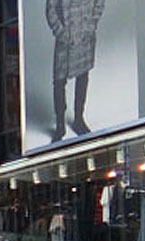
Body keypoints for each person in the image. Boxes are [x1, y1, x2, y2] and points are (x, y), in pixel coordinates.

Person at [46, 0, 103, 141]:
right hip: (65, 40)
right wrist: (61, 33)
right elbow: (50, 9)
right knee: (59, 82)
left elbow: (99, 3)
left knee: (83, 77)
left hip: (85, 36)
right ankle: (60, 124)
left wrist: (91, 24)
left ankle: (79, 119)